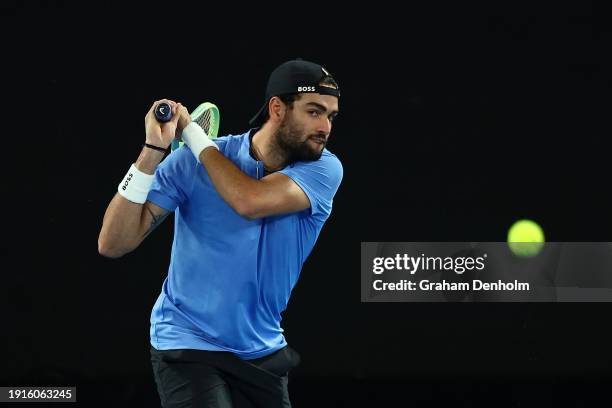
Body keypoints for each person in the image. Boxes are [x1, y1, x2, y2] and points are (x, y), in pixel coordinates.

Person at [97, 59, 343, 407]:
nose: (325, 127)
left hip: (262, 349)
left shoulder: (324, 169)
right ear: (277, 109)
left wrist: (194, 138)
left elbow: (248, 200)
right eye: (315, 112)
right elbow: (113, 243)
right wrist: (153, 151)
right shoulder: (189, 162)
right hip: (187, 342)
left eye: (331, 116)